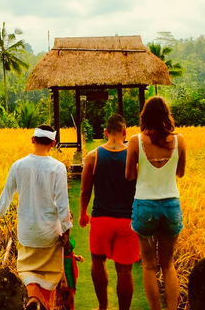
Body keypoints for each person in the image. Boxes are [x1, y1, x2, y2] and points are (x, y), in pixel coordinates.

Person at [0, 125, 72, 310]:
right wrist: (66, 229)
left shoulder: (18, 166)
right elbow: (62, 202)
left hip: (27, 233)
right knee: (50, 273)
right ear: (53, 143)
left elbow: (7, 194)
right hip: (49, 232)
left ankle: (33, 297)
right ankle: (42, 302)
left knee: (27, 270)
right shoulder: (57, 168)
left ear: (32, 139)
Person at [125, 96, 187, 310]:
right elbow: (180, 173)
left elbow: (129, 175)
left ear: (145, 116)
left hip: (145, 205)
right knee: (168, 264)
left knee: (149, 266)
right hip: (171, 204)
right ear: (166, 116)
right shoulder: (179, 140)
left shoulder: (136, 141)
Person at [79, 114, 139, 310]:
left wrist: (82, 213)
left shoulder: (93, 156)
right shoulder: (134, 156)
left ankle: (102, 306)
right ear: (125, 132)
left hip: (101, 218)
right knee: (124, 271)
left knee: (97, 260)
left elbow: (85, 190)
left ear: (105, 132)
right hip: (127, 220)